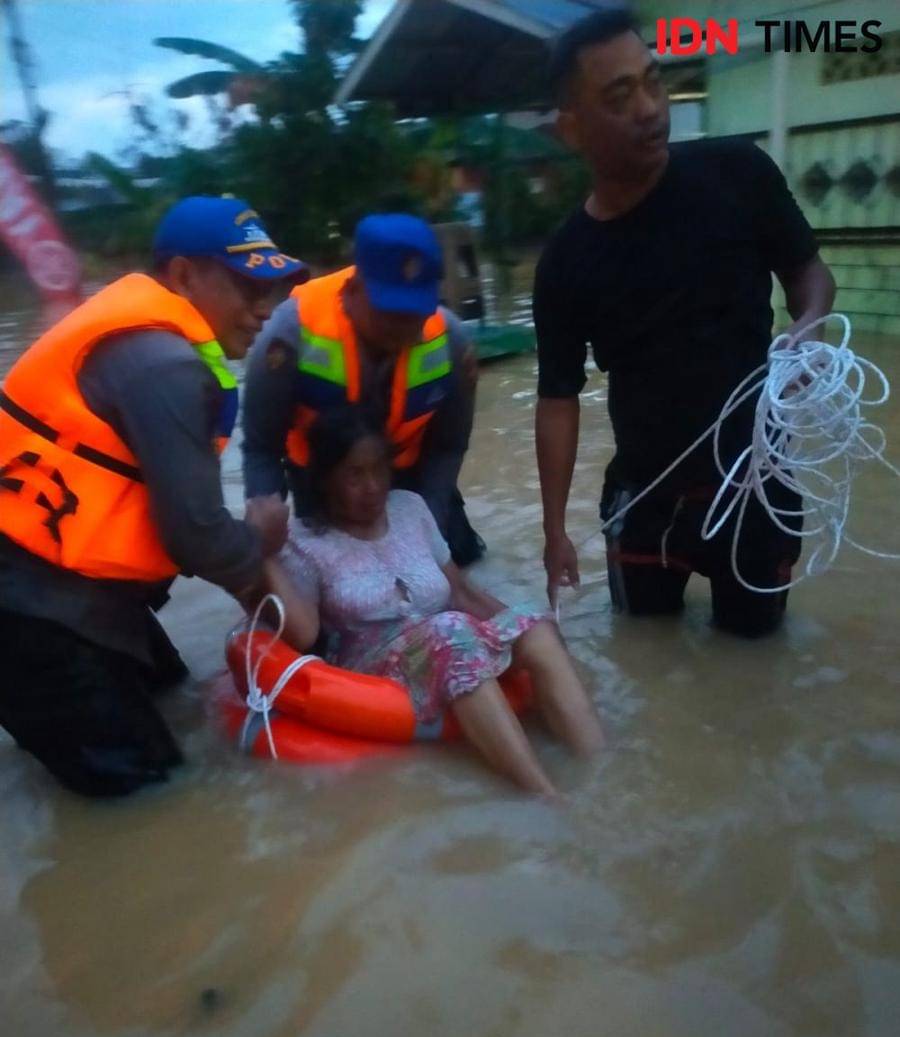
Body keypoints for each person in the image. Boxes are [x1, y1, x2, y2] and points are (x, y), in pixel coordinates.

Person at [534, 7, 836, 637]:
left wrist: (808, 327)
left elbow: (811, 275)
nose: (649, 108)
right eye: (620, 96)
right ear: (570, 129)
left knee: (755, 664)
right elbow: (558, 399)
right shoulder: (566, 261)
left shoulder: (739, 173)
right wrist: (555, 529)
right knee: (643, 660)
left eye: (653, 81)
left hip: (756, 484)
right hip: (643, 498)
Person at [0, 195, 308, 798]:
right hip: (34, 612)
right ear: (185, 275)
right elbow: (194, 534)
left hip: (65, 592)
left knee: (175, 694)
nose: (263, 309)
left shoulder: (147, 341)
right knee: (152, 797)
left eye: (272, 289)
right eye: (248, 287)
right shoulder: (165, 362)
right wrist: (260, 541)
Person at [261, 409, 604, 798]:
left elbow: (459, 591)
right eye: (354, 475)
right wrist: (266, 555)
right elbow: (303, 633)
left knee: (534, 624)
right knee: (449, 633)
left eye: (379, 470)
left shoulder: (409, 508)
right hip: (374, 665)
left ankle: (599, 769)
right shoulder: (304, 541)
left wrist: (522, 628)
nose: (373, 486)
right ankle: (546, 795)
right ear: (325, 479)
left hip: (446, 640)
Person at [242, 212, 486, 568]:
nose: (406, 331)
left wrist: (425, 532)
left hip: (409, 477)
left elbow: (448, 447)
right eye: (391, 314)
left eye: (416, 314)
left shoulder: (451, 342)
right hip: (321, 482)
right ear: (353, 290)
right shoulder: (289, 336)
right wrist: (268, 552)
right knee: (330, 581)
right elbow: (262, 449)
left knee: (447, 570)